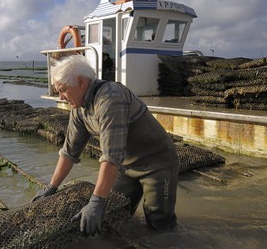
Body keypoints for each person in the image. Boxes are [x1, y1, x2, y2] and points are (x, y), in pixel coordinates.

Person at [32, 54, 179, 236]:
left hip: (156, 164)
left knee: (158, 222)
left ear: (80, 82)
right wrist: (51, 188)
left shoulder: (110, 98)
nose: (61, 97)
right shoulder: (79, 109)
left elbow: (111, 155)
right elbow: (69, 152)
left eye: (62, 90)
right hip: (126, 167)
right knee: (115, 213)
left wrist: (96, 201)